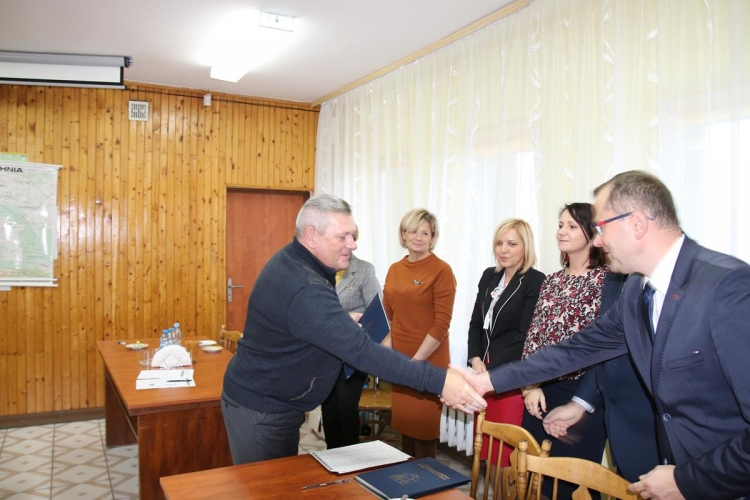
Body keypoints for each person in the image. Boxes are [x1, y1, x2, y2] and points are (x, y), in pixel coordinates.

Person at [450, 170, 750, 500]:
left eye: (602, 227)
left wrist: (688, 479)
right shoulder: (635, 289)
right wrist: (487, 382)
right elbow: (577, 349)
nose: (597, 240)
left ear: (637, 224)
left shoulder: (729, 288)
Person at [221, 195, 485, 465]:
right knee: (265, 484)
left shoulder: (296, 261)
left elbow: (301, 319)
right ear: (311, 236)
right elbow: (362, 351)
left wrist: (342, 319)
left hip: (274, 403)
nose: (353, 244)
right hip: (262, 411)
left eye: (353, 235)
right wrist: (440, 381)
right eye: (343, 237)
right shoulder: (306, 286)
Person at [519, 203, 608, 500]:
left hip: (583, 394)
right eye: (560, 225)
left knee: (573, 484)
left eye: (571, 226)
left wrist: (579, 403)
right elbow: (534, 337)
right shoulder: (552, 280)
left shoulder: (607, 280)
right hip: (541, 392)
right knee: (536, 481)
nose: (561, 232)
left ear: (592, 233)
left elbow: (604, 349)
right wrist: (529, 387)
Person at [543, 271, 660, 483]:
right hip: (624, 427)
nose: (602, 250)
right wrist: (579, 404)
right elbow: (602, 345)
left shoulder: (703, 279)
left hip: (663, 432)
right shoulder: (616, 278)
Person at [467, 218, 545, 468]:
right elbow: (476, 323)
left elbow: (524, 336)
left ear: (526, 247)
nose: (503, 250)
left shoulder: (535, 280)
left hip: (509, 374)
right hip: (482, 369)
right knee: (484, 444)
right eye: (499, 243)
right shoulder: (489, 276)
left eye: (512, 244)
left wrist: (489, 370)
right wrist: (475, 359)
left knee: (505, 451)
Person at [382, 208, 456, 459]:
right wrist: (388, 354)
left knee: (424, 433)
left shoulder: (441, 270)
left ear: (433, 238)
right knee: (405, 430)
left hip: (428, 361)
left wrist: (416, 363)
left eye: (425, 233)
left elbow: (441, 324)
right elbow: (389, 315)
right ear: (403, 234)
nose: (418, 237)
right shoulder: (394, 269)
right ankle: (406, 481)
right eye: (413, 231)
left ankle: (427, 481)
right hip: (401, 360)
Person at [322, 243, 382, 449]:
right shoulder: (322, 269)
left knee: (346, 408)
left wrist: (346, 318)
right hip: (326, 352)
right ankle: (331, 456)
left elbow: (376, 314)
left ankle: (350, 460)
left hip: (353, 354)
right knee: (328, 408)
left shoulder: (364, 269)